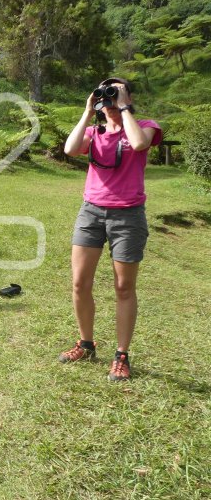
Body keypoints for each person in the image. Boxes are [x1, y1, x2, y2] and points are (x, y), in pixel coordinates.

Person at [59, 77, 162, 382]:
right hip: (91, 212)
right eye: (107, 93)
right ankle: (86, 343)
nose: (110, 99)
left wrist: (124, 108)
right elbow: (70, 148)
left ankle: (121, 355)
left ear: (129, 97)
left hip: (128, 216)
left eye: (117, 92)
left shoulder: (145, 125)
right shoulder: (95, 131)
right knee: (79, 283)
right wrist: (89, 110)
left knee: (124, 288)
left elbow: (141, 144)